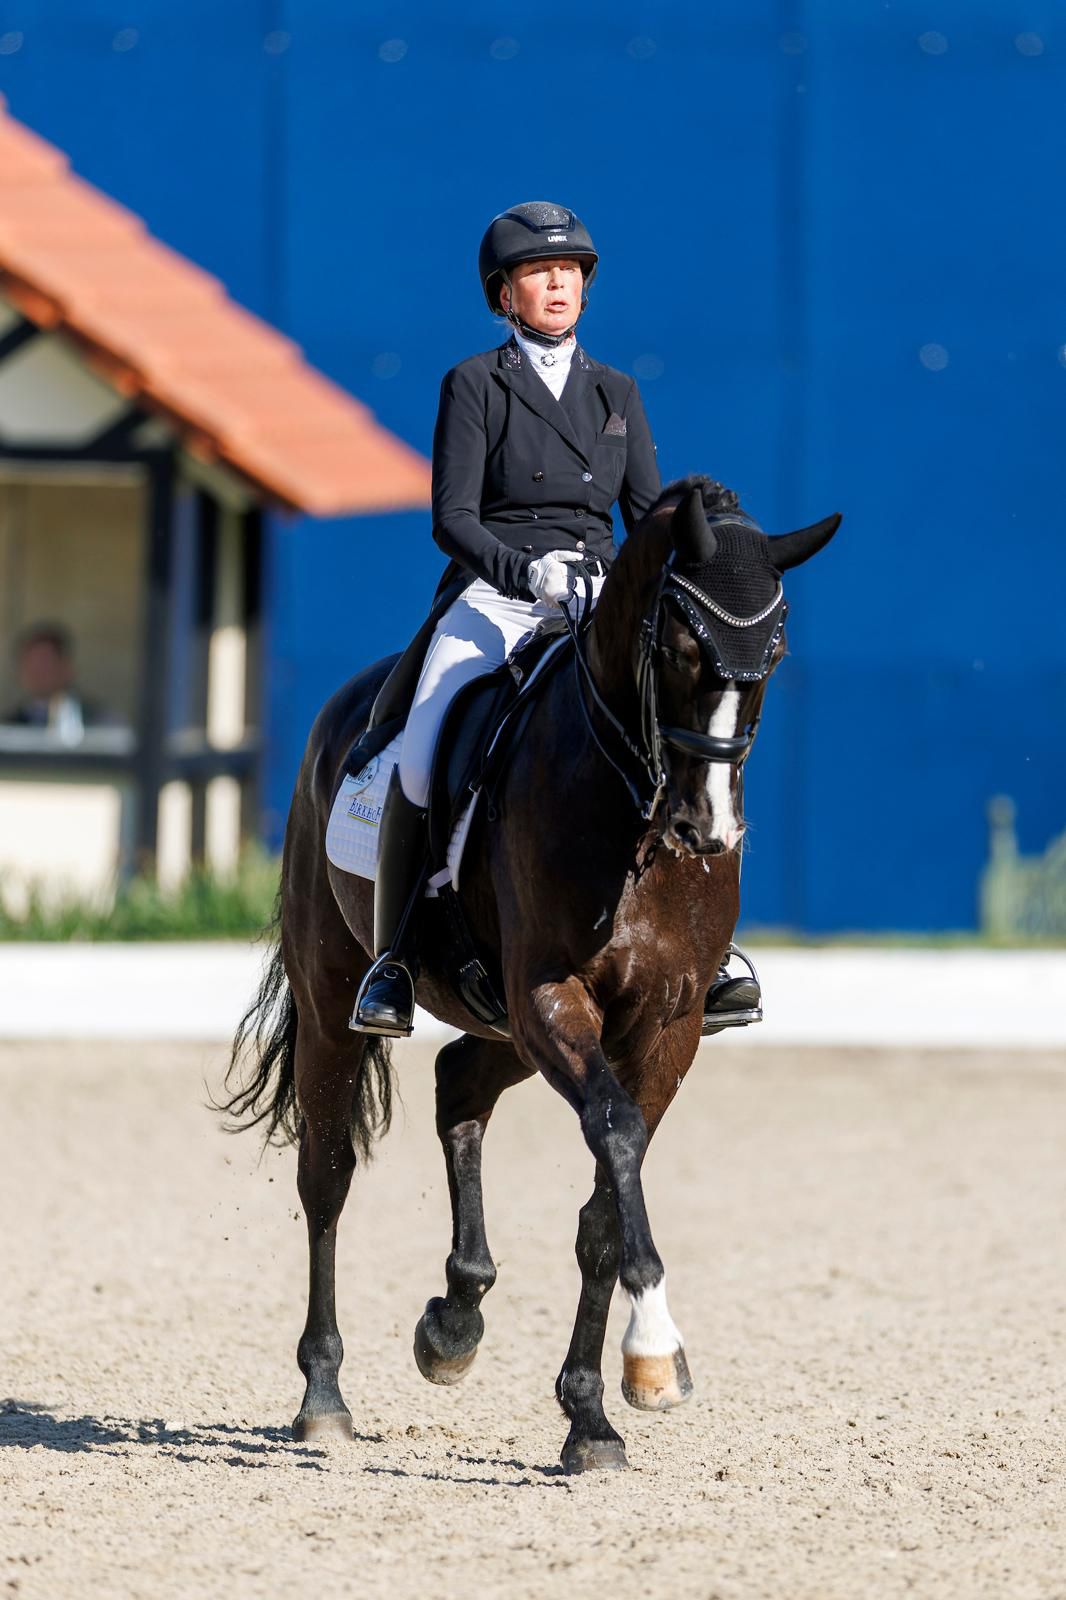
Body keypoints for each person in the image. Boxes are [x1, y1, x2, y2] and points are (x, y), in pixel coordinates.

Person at [351, 201, 761, 1038]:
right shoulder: (474, 383)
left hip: (597, 599)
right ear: (506, 295)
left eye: (570, 272)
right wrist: (520, 567)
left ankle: (711, 953)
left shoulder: (617, 391)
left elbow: (649, 516)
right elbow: (451, 517)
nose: (558, 284)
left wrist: (661, 572)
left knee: (683, 732)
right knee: (425, 751)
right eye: (540, 273)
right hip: (497, 593)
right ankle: (392, 959)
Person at [2, 622, 109, 743]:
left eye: (45, 663)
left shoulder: (97, 721)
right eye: (31, 664)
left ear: (66, 668)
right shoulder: (8, 726)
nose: (37, 672)